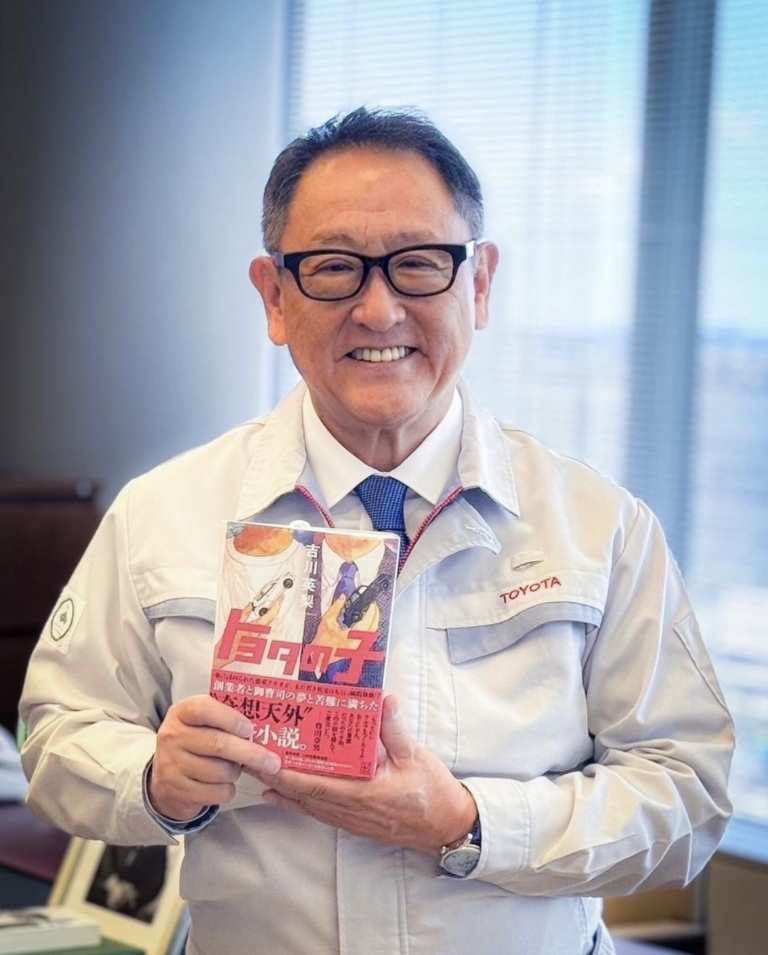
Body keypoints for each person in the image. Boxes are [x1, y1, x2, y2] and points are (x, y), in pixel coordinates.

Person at [20, 107, 734, 955]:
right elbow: (56, 735)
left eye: (419, 263)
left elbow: (687, 790)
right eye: (333, 268)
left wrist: (468, 821)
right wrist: (154, 780)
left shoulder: (600, 526)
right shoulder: (163, 512)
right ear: (274, 296)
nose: (378, 308)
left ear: (479, 283)